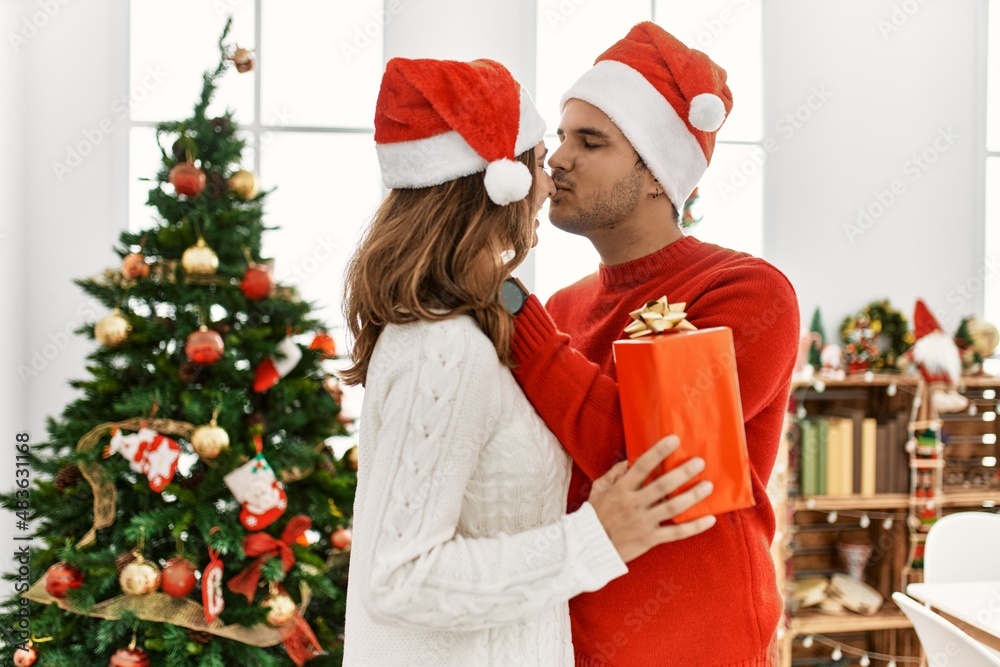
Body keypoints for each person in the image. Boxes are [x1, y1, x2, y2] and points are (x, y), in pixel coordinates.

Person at [341, 57, 717, 667]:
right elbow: (400, 578)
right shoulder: (444, 345)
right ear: (499, 183)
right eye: (541, 158)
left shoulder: (477, 326)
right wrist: (595, 539)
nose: (550, 181)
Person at [503, 23, 801, 666]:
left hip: (697, 646)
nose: (556, 159)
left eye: (591, 141)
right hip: (569, 641)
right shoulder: (561, 308)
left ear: (656, 176)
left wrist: (511, 312)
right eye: (561, 136)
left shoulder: (746, 293)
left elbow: (651, 459)